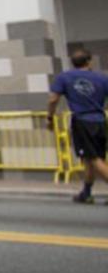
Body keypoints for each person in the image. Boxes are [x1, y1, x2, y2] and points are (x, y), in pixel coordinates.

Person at [47, 49, 108, 204]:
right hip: (100, 120)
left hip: (82, 120)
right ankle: (86, 193)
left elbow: (53, 99)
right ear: (89, 61)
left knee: (93, 158)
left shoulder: (65, 77)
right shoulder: (102, 78)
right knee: (90, 158)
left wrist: (50, 117)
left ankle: (87, 193)